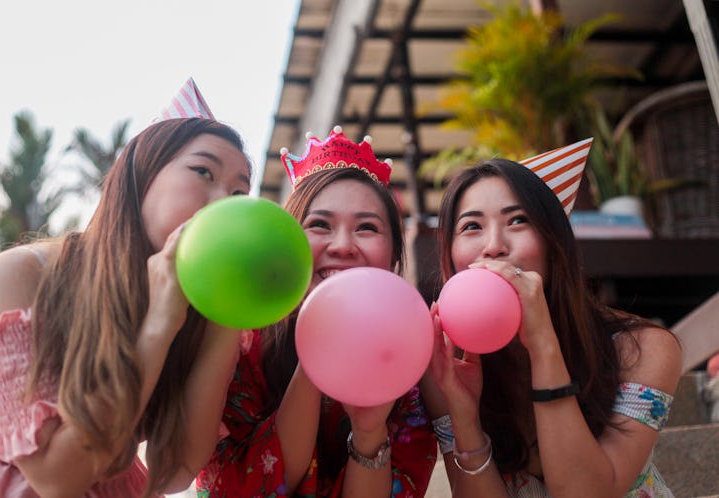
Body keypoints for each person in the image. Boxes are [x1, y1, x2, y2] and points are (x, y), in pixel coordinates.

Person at [0, 79, 252, 497]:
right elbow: (54, 478)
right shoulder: (21, 274)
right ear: (141, 175)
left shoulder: (208, 316)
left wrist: (228, 316)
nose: (221, 203)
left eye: (238, 193)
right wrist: (158, 323)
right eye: (203, 171)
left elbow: (174, 470)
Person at [421, 143, 682, 497]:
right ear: (449, 256)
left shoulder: (644, 348)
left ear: (553, 242)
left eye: (518, 220)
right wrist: (465, 418)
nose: (494, 246)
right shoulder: (444, 368)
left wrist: (544, 345)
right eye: (471, 227)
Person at [196, 127, 437, 497]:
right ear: (287, 245)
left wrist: (370, 432)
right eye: (320, 225)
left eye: (367, 228)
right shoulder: (239, 344)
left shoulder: (414, 359)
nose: (342, 246)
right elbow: (237, 486)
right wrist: (318, 349)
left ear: (393, 256)